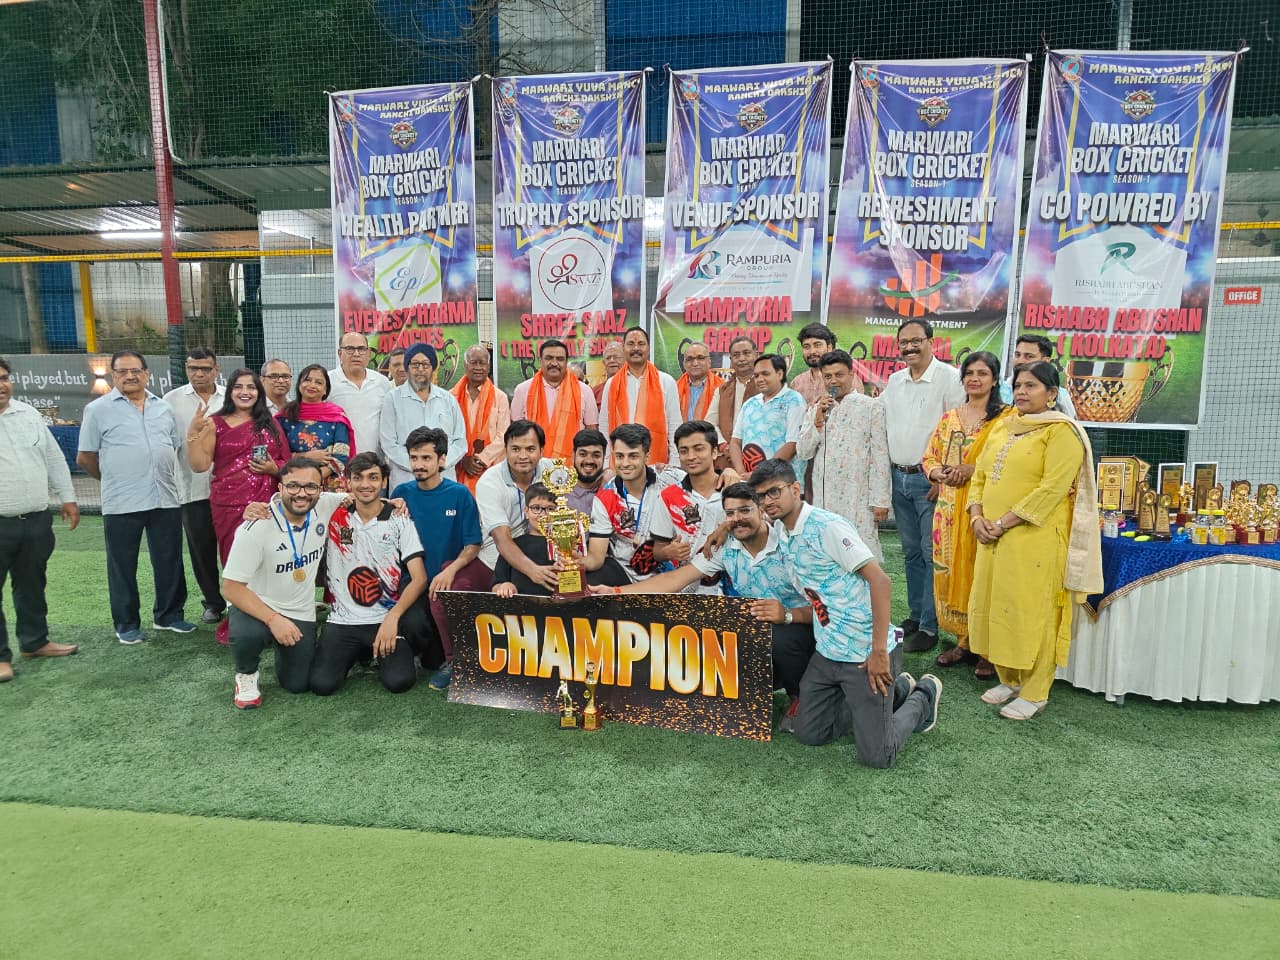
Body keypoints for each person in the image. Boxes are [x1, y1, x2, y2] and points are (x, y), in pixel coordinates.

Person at [752, 459, 943, 769]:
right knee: (809, 733)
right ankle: (896, 692)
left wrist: (878, 652)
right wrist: (722, 529)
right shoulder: (783, 532)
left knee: (878, 756)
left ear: (796, 489)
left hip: (865, 653)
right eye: (761, 496)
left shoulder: (827, 526)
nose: (767, 501)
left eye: (774, 491)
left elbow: (881, 581)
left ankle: (923, 695)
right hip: (828, 653)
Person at [593, 482, 814, 730]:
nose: (737, 518)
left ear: (761, 510)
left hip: (804, 627)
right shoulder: (725, 548)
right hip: (760, 629)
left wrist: (787, 615)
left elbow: (823, 604)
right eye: (730, 513)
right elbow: (674, 579)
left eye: (745, 510)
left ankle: (799, 696)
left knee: (779, 637)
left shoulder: (788, 543)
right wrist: (615, 591)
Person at [966, 362, 1102, 721]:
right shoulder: (1004, 426)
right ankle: (1010, 678)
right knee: (999, 606)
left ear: (1052, 394)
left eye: (1031, 386)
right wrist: (977, 516)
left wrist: (1001, 522)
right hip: (992, 537)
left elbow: (1051, 490)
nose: (1022, 392)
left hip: (1034, 539)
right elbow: (979, 475)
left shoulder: (1062, 432)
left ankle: (1036, 690)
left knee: (1035, 612)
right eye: (1018, 386)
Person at [77, 350, 193, 644]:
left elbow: (174, 446)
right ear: (113, 375)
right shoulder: (98, 410)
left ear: (146, 374)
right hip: (122, 502)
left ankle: (169, 616)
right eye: (122, 371)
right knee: (122, 566)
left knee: (169, 560)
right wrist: (113, 479)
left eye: (136, 371)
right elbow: (85, 457)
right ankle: (126, 624)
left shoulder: (163, 408)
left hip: (165, 497)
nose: (130, 376)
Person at [921, 351, 1011, 679]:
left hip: (984, 508)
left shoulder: (1006, 419)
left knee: (981, 575)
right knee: (949, 570)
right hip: (948, 509)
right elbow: (929, 457)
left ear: (994, 379)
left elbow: (1008, 461)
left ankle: (988, 650)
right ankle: (963, 641)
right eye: (969, 373)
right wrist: (939, 473)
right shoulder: (950, 418)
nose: (974, 379)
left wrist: (972, 469)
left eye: (982, 373)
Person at [309, 452, 429, 696]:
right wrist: (259, 507)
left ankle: (378, 651)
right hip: (342, 620)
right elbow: (293, 499)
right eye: (358, 477)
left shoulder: (399, 519)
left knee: (399, 682)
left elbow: (420, 578)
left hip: (383, 619)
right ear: (348, 481)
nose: (365, 484)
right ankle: (358, 654)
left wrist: (393, 617)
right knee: (322, 685)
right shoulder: (333, 513)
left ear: (384, 481)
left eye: (373, 477)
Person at [187, 368, 290, 643]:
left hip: (267, 505)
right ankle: (241, 624)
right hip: (229, 505)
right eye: (239, 387)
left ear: (259, 392)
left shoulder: (271, 424)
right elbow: (199, 465)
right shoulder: (215, 423)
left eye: (251, 387)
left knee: (269, 563)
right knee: (237, 563)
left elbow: (288, 465)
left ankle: (274, 620)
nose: (245, 392)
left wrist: (272, 468)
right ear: (230, 391)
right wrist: (192, 434)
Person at [881, 319, 965, 653]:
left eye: (916, 341)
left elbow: (959, 431)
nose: (909, 347)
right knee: (911, 552)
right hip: (898, 477)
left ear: (931, 341)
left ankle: (930, 626)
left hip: (930, 480)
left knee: (932, 556)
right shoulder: (894, 381)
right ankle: (915, 616)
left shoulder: (950, 378)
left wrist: (942, 478)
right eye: (904, 342)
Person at [220, 457, 330, 709]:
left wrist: (395, 503)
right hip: (257, 605)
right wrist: (273, 619)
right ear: (280, 488)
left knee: (298, 683)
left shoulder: (325, 505)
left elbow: (363, 497)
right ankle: (246, 673)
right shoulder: (256, 527)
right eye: (293, 485)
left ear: (320, 490)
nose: (301, 493)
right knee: (249, 634)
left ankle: (285, 650)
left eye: (310, 486)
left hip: (298, 610)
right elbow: (231, 587)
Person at [0, 356, 80, 681]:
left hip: (35, 519)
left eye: (4, 378)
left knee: (32, 583)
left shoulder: (28, 413)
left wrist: (68, 497)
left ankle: (34, 642)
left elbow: (52, 457)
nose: (1, 385)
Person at [392, 426, 489, 690]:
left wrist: (451, 570)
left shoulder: (460, 494)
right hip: (414, 581)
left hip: (447, 581)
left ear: (442, 459)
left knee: (434, 659)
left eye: (426, 458)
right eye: (414, 458)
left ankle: (443, 656)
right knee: (413, 623)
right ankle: (411, 649)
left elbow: (473, 544)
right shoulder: (401, 493)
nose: (418, 464)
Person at [796, 349, 891, 561]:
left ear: (851, 374)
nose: (833, 381)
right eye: (828, 376)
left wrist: (880, 500)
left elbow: (880, 455)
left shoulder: (871, 406)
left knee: (862, 554)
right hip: (824, 498)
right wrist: (817, 421)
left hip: (858, 497)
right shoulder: (817, 409)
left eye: (839, 375)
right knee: (828, 553)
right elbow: (803, 452)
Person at [490, 483, 628, 597]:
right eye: (536, 508)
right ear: (526, 511)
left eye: (550, 509)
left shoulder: (574, 545)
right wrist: (505, 586)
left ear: (560, 512)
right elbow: (496, 584)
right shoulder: (513, 547)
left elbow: (598, 568)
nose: (543, 515)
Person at [583, 424, 676, 583]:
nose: (625, 463)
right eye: (620, 456)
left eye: (633, 456)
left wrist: (724, 475)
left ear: (647, 456)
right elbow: (596, 558)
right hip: (624, 574)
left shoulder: (671, 481)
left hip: (673, 573)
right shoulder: (605, 498)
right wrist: (574, 562)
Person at [474, 420, 557, 593]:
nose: (523, 456)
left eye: (530, 449)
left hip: (545, 554)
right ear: (505, 450)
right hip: (498, 559)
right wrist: (534, 571)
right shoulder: (489, 483)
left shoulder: (554, 471)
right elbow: (501, 539)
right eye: (516, 449)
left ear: (542, 450)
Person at [649, 420, 726, 594]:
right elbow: (657, 550)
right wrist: (668, 552)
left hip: (735, 593)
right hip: (688, 594)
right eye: (684, 451)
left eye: (698, 449)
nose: (691, 456)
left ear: (714, 452)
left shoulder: (734, 489)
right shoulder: (668, 496)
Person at [379, 343, 466, 491]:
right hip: (406, 481)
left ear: (433, 368)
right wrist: (418, 465)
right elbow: (389, 444)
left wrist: (438, 465)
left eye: (425, 364)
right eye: (415, 364)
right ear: (407, 367)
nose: (420, 369)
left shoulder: (448, 399)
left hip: (443, 479)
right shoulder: (392, 399)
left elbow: (460, 442)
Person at [598, 327, 681, 466]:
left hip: (656, 463)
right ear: (624, 349)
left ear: (648, 349)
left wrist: (674, 464)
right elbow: (605, 427)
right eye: (631, 344)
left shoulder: (666, 381)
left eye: (641, 344)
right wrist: (606, 465)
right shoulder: (612, 384)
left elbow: (675, 426)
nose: (636, 348)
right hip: (620, 463)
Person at [511, 339, 599, 460]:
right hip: (532, 463)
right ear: (540, 361)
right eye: (549, 358)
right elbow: (515, 432)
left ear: (566, 362)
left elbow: (592, 430)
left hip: (573, 463)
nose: (554, 363)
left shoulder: (585, 391)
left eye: (560, 359)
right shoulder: (523, 390)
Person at [275, 364, 354, 490]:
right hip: (294, 483)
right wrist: (306, 456)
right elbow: (278, 454)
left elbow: (342, 455)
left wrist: (313, 478)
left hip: (330, 485)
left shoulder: (336, 416)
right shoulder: (284, 416)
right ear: (299, 384)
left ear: (325, 390)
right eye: (307, 380)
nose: (312, 385)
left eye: (318, 382)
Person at [730, 354, 806, 480]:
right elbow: (735, 442)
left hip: (781, 482)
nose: (760, 379)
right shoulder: (750, 403)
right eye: (756, 376)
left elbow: (793, 444)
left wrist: (760, 475)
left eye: (765, 374)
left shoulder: (794, 400)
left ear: (780, 374)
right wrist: (742, 474)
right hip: (749, 482)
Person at [449, 345, 510, 493]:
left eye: (482, 363)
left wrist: (481, 459)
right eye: (473, 362)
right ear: (465, 365)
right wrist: (462, 460)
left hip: (491, 470)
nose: (478, 367)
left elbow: (504, 435)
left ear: (488, 367)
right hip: (458, 470)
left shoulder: (500, 397)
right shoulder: (450, 397)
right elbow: (447, 434)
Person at [328, 331, 392, 458]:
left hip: (374, 461)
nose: (356, 354)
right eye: (350, 349)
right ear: (340, 353)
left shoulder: (382, 382)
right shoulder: (327, 381)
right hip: (339, 461)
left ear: (368, 354)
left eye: (361, 349)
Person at [1001, 335, 1076, 418]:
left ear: (1045, 361)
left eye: (1029, 356)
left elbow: (1070, 422)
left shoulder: (1060, 395)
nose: (1020, 361)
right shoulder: (1000, 390)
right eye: (1017, 355)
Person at [790, 322, 863, 406]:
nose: (812, 351)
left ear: (829, 347)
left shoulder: (848, 378)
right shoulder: (797, 382)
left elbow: (859, 409)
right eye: (806, 347)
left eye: (817, 345)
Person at [715, 336, 760, 463]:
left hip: (761, 456)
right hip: (727, 457)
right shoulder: (722, 389)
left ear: (757, 355)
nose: (741, 359)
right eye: (736, 355)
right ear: (731, 359)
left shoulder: (768, 387)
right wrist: (724, 445)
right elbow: (710, 423)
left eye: (746, 353)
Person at [675, 342, 724, 423]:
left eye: (700, 358)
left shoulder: (722, 387)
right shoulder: (674, 388)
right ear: (684, 364)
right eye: (690, 359)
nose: (695, 363)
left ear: (709, 362)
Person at [567, 428, 607, 515]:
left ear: (604, 457)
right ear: (573, 455)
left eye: (596, 455)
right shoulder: (559, 491)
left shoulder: (613, 489)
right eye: (583, 454)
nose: (589, 461)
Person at [592, 340, 624, 406]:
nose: (611, 360)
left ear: (626, 360)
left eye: (616, 357)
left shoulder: (635, 388)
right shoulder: (595, 392)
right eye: (608, 358)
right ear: (603, 363)